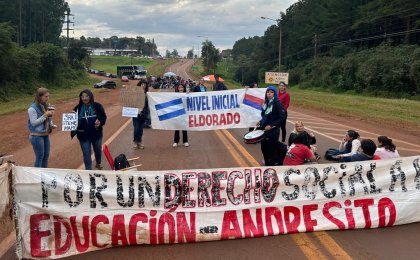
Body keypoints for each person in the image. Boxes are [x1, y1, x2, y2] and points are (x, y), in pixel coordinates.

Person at [72, 89, 107, 170]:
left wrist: (100, 122)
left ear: (90, 96)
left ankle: (98, 163)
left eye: (86, 96)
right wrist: (72, 117)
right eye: (82, 96)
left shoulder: (97, 106)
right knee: (86, 154)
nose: (84, 98)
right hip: (83, 136)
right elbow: (73, 123)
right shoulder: (77, 108)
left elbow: (104, 117)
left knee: (98, 151)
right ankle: (89, 171)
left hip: (96, 134)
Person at [28, 87, 57, 167]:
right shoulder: (32, 109)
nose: (48, 98)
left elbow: (48, 118)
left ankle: (44, 176)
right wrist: (45, 115)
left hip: (45, 134)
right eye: (46, 96)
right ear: (39, 97)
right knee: (40, 156)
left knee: (46, 156)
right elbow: (34, 123)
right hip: (36, 136)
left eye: (48, 96)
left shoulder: (45, 106)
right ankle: (37, 177)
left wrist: (51, 125)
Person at [257, 85, 286, 166]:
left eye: (271, 92)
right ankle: (267, 163)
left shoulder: (277, 103)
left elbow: (282, 117)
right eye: (268, 92)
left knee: (271, 150)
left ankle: (271, 166)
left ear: (274, 94)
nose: (269, 94)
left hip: (273, 131)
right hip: (264, 130)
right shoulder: (266, 103)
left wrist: (271, 125)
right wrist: (260, 122)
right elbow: (265, 116)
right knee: (264, 148)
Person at [133, 80, 149, 149]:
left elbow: (148, 104)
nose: (143, 85)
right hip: (136, 114)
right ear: (139, 85)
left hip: (143, 114)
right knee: (136, 129)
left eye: (144, 84)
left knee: (140, 129)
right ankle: (135, 142)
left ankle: (139, 142)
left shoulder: (147, 94)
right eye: (142, 84)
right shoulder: (135, 93)